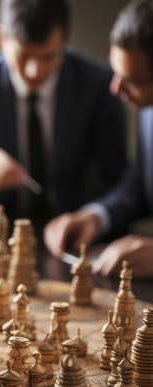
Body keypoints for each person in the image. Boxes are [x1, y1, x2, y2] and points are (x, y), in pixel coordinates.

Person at [0, 0, 127, 220]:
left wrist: (91, 217)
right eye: (23, 56)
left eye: (48, 57)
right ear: (1, 37)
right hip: (6, 230)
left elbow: (117, 177)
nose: (35, 71)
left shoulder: (100, 84)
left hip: (78, 231)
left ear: (65, 39)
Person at [44, 0, 153, 277]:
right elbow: (139, 186)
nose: (116, 89)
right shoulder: (146, 109)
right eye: (116, 72)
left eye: (133, 81)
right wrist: (95, 217)